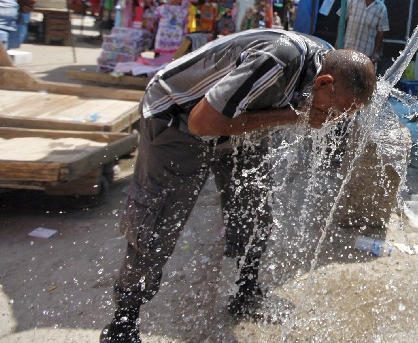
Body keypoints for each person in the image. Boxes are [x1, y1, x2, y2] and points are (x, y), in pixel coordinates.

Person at [100, 29, 377, 343]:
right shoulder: (278, 59)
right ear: (324, 83)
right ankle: (123, 322)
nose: (332, 120)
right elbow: (201, 123)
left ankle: (247, 294)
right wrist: (293, 116)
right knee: (160, 220)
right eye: (335, 110)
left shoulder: (327, 61)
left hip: (238, 117)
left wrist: (293, 115)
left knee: (255, 207)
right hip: (178, 118)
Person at [342, 0, 389, 64]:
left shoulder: (381, 9)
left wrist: (376, 52)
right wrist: (338, 41)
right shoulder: (352, 0)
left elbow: (381, 33)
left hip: (365, 54)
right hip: (347, 49)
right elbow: (341, 21)